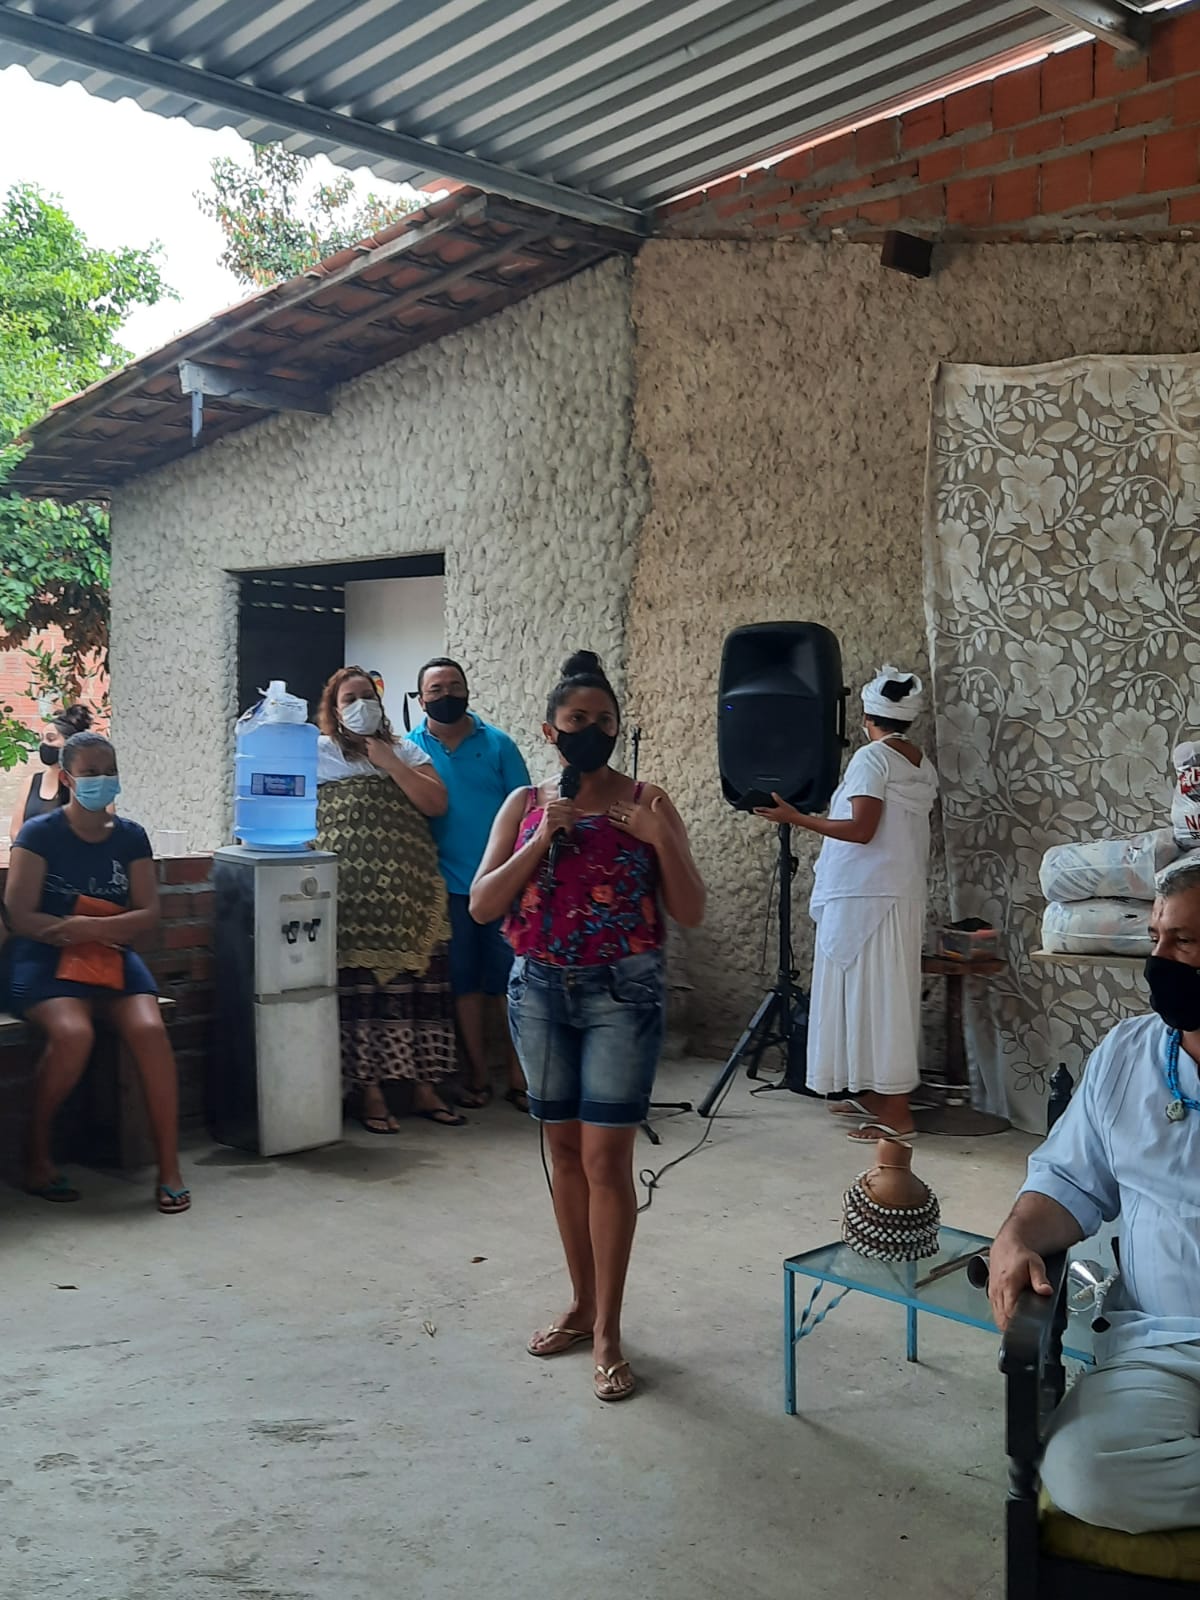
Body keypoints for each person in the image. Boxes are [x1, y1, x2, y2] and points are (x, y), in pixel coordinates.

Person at [471, 649, 705, 1402]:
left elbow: (690, 909)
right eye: (578, 719)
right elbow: (482, 904)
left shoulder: (648, 800)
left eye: (604, 720)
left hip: (621, 997)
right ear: (551, 730)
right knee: (564, 1154)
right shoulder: (524, 804)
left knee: (607, 1161)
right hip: (538, 993)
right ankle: (579, 1303)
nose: (592, 730)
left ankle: (609, 1329)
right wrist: (543, 838)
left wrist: (658, 837)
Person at [987, 860, 1200, 1535]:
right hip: (1163, 1348)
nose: (1160, 960)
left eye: (1184, 942)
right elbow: (1068, 1182)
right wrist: (1015, 1237)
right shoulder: (1128, 1055)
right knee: (1086, 1469)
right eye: (1157, 938)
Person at [3, 730, 189, 1213]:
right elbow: (19, 915)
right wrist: (73, 930)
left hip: (109, 954)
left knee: (149, 1029)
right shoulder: (39, 834)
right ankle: (36, 1155)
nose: (102, 781)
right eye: (90, 773)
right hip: (43, 958)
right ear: (67, 778)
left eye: (109, 772)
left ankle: (169, 1168)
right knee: (73, 1033)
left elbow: (149, 913)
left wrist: (92, 928)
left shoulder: (131, 836)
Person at [754, 665, 938, 1143]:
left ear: (867, 717)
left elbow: (861, 829)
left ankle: (897, 1114)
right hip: (891, 893)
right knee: (880, 999)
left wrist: (795, 818)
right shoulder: (920, 762)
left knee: (876, 1000)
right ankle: (876, 1095)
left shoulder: (872, 759)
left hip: (868, 896)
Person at [315, 666, 464, 1131]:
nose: (361, 704)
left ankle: (425, 1088)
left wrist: (390, 763)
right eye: (349, 699)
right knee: (362, 1000)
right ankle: (370, 1093)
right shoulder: (318, 753)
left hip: (410, 899)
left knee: (419, 997)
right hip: (351, 905)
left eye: (368, 696)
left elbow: (435, 803)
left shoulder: (406, 750)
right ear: (334, 710)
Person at [408, 657, 531, 1111]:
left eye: (454, 686)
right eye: (436, 689)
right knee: (464, 985)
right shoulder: (409, 750)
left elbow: (526, 814)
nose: (447, 695)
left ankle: (521, 1076)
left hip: (502, 887)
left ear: (468, 690)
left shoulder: (498, 745)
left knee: (512, 984)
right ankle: (478, 1074)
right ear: (420, 699)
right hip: (446, 890)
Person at [7, 705, 92, 846]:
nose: (44, 744)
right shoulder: (31, 782)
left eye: (51, 739)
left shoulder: (87, 784)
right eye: (42, 739)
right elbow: (16, 831)